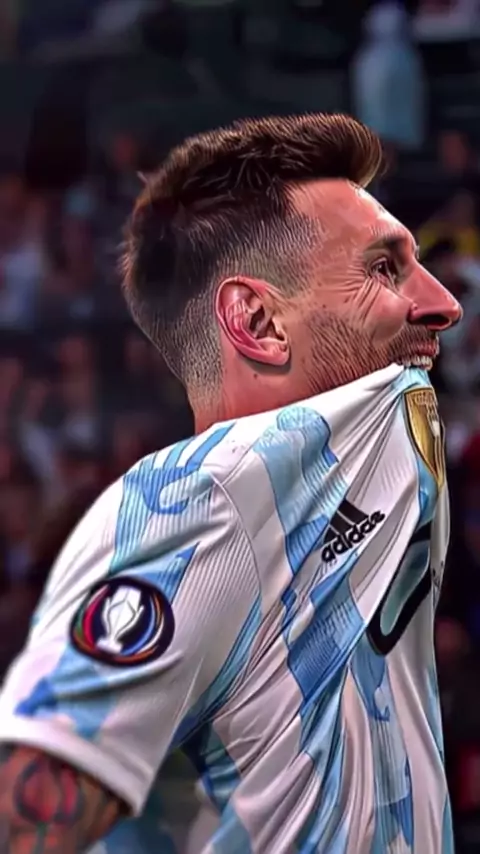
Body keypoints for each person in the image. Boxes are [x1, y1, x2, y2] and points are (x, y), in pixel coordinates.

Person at [0, 113, 461, 853]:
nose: (444, 303)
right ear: (259, 322)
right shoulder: (203, 500)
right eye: (384, 268)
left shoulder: (374, 463)